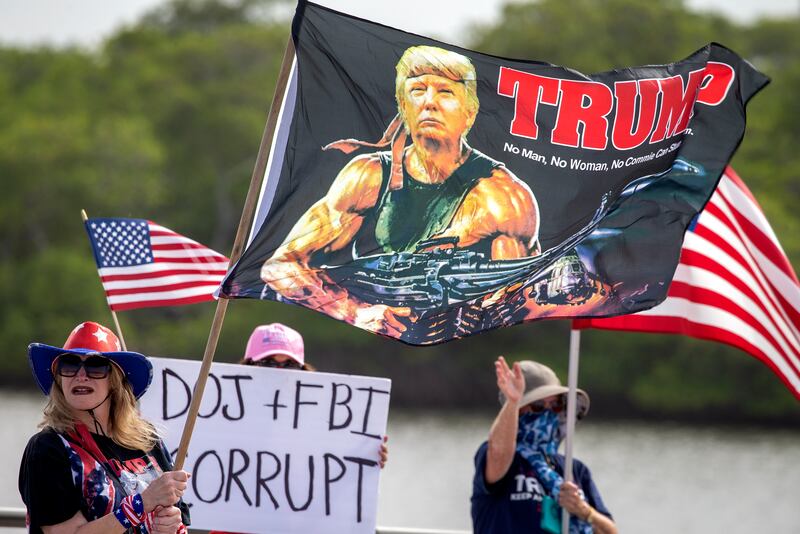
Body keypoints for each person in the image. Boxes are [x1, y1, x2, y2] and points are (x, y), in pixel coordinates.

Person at [262, 45, 540, 337]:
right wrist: (355, 310)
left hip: (452, 353)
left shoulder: (502, 198)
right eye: (418, 90)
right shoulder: (368, 176)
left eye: (445, 92)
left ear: (470, 113)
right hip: (365, 340)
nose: (429, 102)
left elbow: (517, 305)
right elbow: (281, 265)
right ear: (403, 107)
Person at [208, 323, 388, 534]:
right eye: (267, 363)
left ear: (303, 371)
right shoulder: (219, 416)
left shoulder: (329, 425)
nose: (278, 373)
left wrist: (367, 458)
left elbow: (335, 485)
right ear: (248, 365)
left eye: (290, 365)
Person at [18, 321, 190, 534]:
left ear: (115, 381)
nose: (81, 375)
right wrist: (141, 504)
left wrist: (173, 526)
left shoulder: (148, 439)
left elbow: (178, 519)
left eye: (95, 366)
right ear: (59, 379)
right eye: (69, 365)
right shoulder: (48, 448)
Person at [471, 356, 617, 534]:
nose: (548, 413)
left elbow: (611, 531)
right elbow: (498, 450)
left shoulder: (574, 469)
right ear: (519, 411)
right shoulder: (499, 458)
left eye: (556, 404)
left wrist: (584, 510)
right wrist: (513, 401)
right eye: (539, 405)